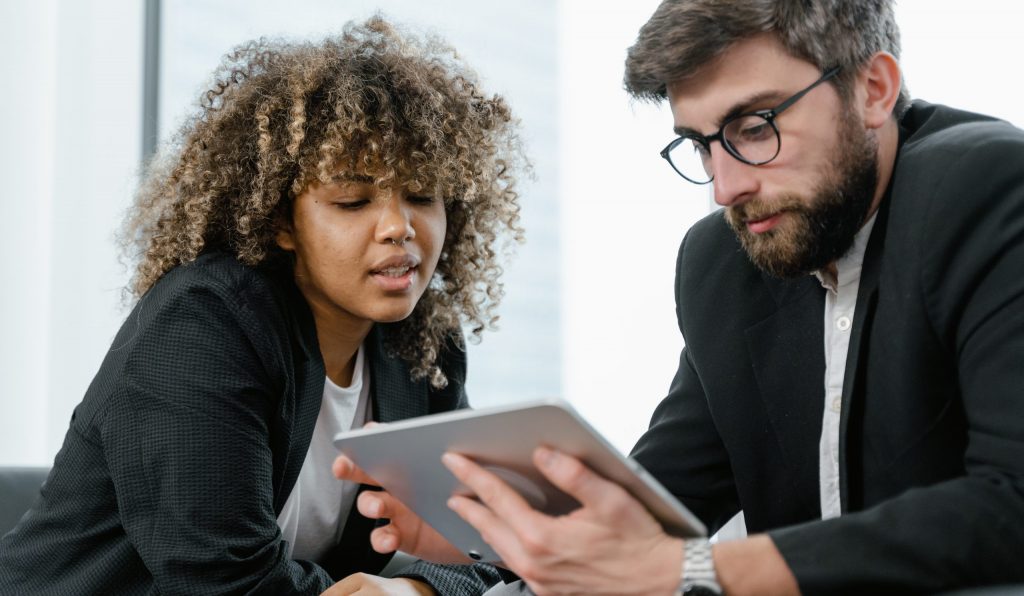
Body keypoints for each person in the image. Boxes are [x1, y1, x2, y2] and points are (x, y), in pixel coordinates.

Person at [335, 1, 1024, 594]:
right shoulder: (722, 262)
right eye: (701, 146)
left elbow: (1011, 506)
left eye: (755, 128)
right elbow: (658, 511)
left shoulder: (987, 188)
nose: (725, 188)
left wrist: (693, 571)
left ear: (873, 89)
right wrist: (488, 536)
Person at [0, 16, 525, 596]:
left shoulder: (423, 343)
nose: (399, 227)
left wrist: (417, 590)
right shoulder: (202, 324)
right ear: (281, 222)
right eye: (352, 201)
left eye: (423, 195)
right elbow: (221, 581)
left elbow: (490, 545)